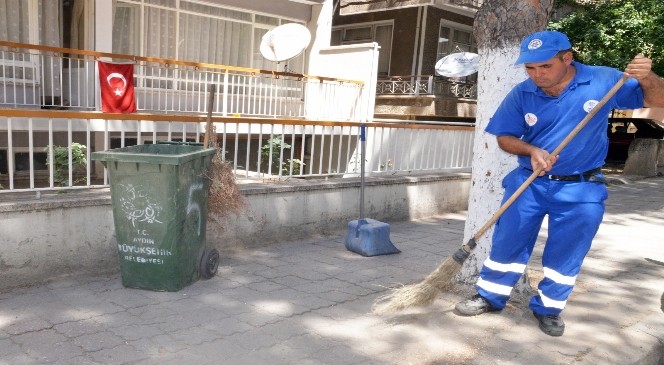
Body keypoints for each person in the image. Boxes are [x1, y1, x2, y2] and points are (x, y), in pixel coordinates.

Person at [454, 30, 664, 337]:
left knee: (567, 251)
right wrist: (532, 150)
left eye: (544, 67)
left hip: (582, 187)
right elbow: (505, 138)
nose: (537, 75)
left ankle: (549, 308)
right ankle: (490, 296)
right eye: (530, 68)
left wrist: (648, 78)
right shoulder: (522, 93)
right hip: (529, 183)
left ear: (567, 59)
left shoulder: (604, 80)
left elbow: (657, 100)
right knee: (508, 242)